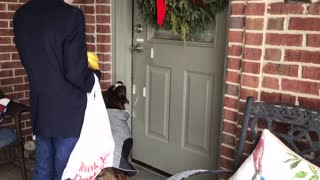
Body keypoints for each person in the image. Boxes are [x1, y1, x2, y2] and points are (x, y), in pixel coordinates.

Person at [13, 0, 99, 179]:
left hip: (40, 103)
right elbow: (75, 72)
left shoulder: (22, 14)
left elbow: (28, 60)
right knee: (66, 168)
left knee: (43, 166)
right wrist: (93, 78)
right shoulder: (71, 15)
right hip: (68, 108)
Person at [99, 81, 138, 179]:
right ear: (124, 102)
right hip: (114, 167)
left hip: (96, 165)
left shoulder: (100, 120)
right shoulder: (125, 131)